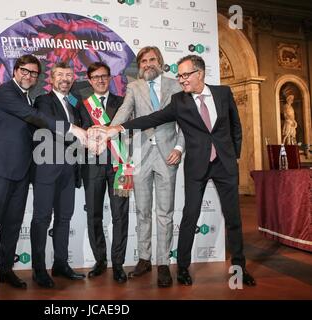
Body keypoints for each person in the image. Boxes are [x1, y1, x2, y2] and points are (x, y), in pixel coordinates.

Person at [97, 55, 256, 287]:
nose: (181, 80)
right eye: (179, 76)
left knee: (233, 219)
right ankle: (182, 268)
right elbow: (153, 117)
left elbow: (235, 127)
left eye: (185, 75)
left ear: (199, 74)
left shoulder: (223, 93)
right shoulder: (180, 101)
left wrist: (234, 156)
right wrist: (118, 128)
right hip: (196, 167)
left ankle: (239, 268)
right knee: (190, 216)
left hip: (225, 165)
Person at [0, 55, 86, 298]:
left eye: (34, 73)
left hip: (23, 170)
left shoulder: (27, 97)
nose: (29, 76)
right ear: (15, 70)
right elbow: (36, 118)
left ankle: (5, 270)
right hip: (0, 167)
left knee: (13, 224)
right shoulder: (7, 91)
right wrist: (70, 128)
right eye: (25, 71)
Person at [109, 46, 184, 287]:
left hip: (167, 155)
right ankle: (144, 258)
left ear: (160, 61)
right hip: (140, 156)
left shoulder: (175, 85)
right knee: (142, 211)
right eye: (143, 61)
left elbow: (185, 120)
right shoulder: (134, 87)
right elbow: (124, 112)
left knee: (165, 213)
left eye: (152, 59)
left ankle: (163, 263)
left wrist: (179, 147)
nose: (147, 64)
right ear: (139, 65)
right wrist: (108, 130)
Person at [30, 62, 85, 288]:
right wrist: (80, 134)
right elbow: (51, 126)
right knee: (42, 218)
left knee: (64, 218)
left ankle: (60, 264)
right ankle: (39, 269)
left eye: (69, 75)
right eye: (60, 74)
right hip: (47, 168)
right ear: (51, 79)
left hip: (70, 169)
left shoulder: (74, 101)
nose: (65, 78)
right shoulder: (43, 100)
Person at [78, 62, 130, 283]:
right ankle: (100, 261)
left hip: (120, 165)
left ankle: (118, 264)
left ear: (110, 78)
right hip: (92, 166)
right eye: (95, 77)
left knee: (120, 215)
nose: (100, 80)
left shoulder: (123, 103)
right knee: (94, 215)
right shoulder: (83, 105)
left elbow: (131, 130)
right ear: (89, 80)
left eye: (104, 76)